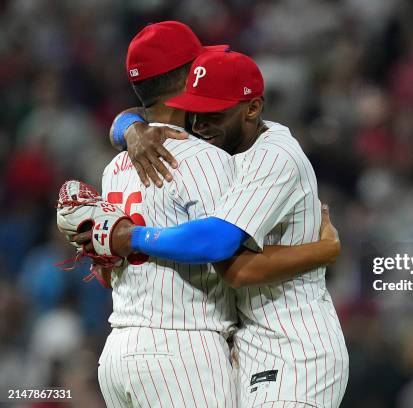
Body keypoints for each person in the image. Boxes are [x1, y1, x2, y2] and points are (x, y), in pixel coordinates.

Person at [64, 21, 342, 407]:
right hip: (185, 350)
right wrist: (324, 250)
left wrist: (128, 236)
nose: (205, 116)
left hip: (128, 350)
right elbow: (229, 259)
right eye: (197, 69)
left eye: (215, 109)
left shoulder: (117, 165)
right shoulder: (205, 157)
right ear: (184, 81)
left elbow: (114, 273)